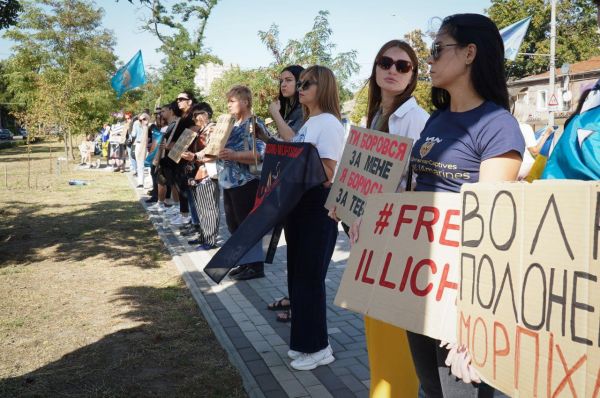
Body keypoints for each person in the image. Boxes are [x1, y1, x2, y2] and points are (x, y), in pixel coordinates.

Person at [406, 14, 524, 397]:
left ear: (470, 53)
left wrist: (470, 319)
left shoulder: (497, 126)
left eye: (439, 49)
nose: (431, 59)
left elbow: (491, 229)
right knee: (429, 388)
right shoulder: (435, 121)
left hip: (461, 294)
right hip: (420, 282)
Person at [344, 39, 430, 398]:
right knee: (377, 334)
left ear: (412, 76)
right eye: (385, 62)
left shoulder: (417, 119)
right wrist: (345, 205)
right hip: (369, 239)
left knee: (396, 342)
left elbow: (419, 186)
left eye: (403, 66)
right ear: (375, 68)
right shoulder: (376, 116)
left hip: (397, 244)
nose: (393, 70)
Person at [282, 65, 345, 371]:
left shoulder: (329, 123)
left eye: (308, 83)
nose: (301, 87)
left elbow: (329, 171)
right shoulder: (310, 123)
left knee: (309, 278)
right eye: (301, 82)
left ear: (324, 88)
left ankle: (318, 348)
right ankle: (305, 343)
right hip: (300, 204)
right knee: (297, 276)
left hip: (317, 205)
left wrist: (294, 169)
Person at [265, 64, 305, 323]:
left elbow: (292, 139)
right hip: (287, 186)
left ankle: (298, 304)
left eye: (289, 80)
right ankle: (293, 297)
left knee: (301, 253)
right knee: (293, 250)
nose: (284, 85)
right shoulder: (290, 110)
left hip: (301, 191)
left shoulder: (305, 111)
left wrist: (274, 115)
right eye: (281, 81)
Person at [218, 85, 266, 281]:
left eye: (232, 101)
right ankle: (244, 263)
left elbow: (260, 153)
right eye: (228, 101)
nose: (228, 104)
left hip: (246, 182)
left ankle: (255, 267)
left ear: (245, 102)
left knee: (247, 226)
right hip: (229, 182)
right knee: (234, 225)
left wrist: (235, 155)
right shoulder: (233, 124)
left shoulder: (254, 124)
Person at [181, 104, 220, 250]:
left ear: (207, 113)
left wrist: (194, 156)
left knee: (209, 208)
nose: (195, 117)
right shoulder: (201, 130)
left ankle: (210, 240)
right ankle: (204, 237)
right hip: (198, 173)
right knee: (201, 208)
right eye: (193, 115)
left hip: (208, 173)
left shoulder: (213, 129)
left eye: (198, 114)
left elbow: (212, 151)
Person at [135, 112, 150, 188]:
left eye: (144, 119)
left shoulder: (150, 126)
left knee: (148, 164)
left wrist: (146, 126)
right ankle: (140, 182)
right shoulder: (137, 125)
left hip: (147, 146)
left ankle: (149, 182)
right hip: (139, 144)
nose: (142, 121)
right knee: (139, 163)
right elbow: (133, 134)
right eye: (140, 120)